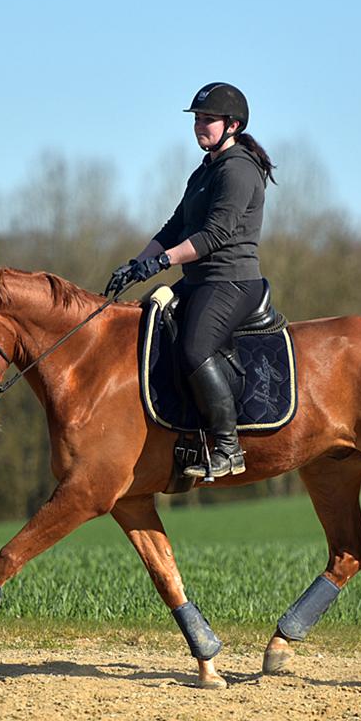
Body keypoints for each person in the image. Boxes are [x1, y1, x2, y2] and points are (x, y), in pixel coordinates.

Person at [105, 82, 276, 478]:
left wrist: (162, 262)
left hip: (231, 282)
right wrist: (137, 263)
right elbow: (175, 226)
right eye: (197, 119)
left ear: (232, 124)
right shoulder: (206, 169)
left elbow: (213, 236)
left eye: (208, 120)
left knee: (194, 349)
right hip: (200, 280)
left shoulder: (238, 171)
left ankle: (228, 447)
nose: (200, 126)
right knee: (147, 324)